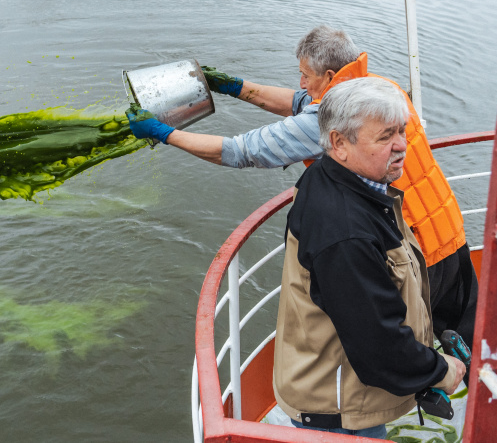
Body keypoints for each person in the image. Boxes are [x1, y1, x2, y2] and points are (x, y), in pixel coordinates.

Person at [126, 26, 477, 346]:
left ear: (328, 75)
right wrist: (234, 87)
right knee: (465, 333)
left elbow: (238, 152)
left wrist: (167, 134)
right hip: (449, 232)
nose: (301, 83)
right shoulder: (382, 87)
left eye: (305, 76)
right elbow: (301, 103)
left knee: (406, 341)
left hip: (416, 256)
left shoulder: (334, 119)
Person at [274, 77, 466, 437]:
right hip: (336, 408)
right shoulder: (345, 231)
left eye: (401, 131)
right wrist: (440, 371)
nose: (401, 146)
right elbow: (377, 341)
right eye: (384, 137)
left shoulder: (341, 181)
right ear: (339, 143)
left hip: (343, 388)